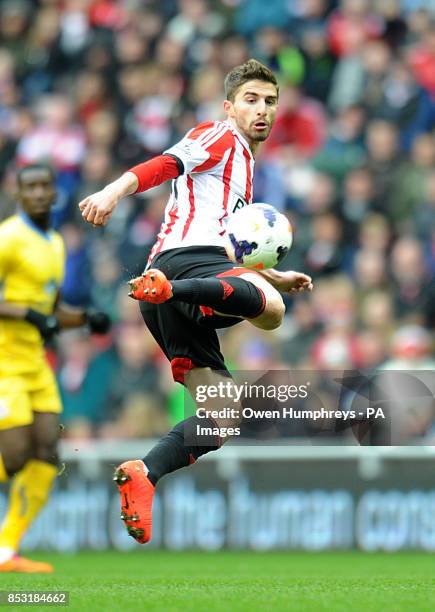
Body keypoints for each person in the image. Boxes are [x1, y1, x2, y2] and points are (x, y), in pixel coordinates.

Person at [79, 59, 313, 544]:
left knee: (224, 415)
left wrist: (272, 275)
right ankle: (171, 289)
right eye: (251, 99)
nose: (262, 110)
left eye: (270, 101)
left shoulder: (244, 165)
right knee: (272, 313)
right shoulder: (219, 135)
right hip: (184, 267)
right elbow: (166, 163)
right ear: (230, 106)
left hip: (172, 287)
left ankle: (145, 472)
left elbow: (229, 243)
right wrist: (113, 190)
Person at [0, 164, 110, 572]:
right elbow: (33, 311)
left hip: (34, 362)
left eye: (45, 185)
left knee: (47, 448)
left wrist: (84, 318)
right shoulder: (9, 239)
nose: (39, 193)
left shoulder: (56, 243)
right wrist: (27, 315)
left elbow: (52, 307)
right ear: (18, 193)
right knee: (13, 455)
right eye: (30, 187)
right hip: (4, 360)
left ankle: (5, 550)